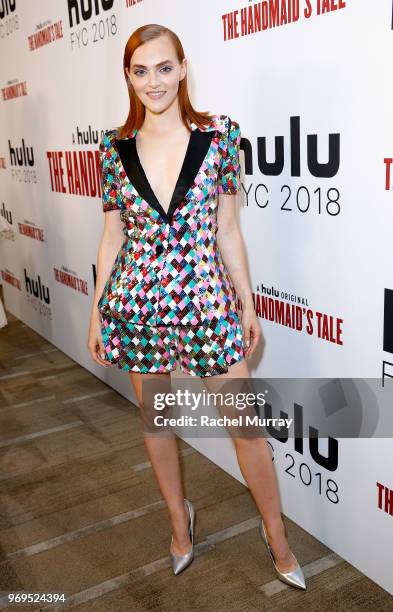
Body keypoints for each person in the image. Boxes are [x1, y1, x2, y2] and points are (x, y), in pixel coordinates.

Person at [87, 24, 306, 590]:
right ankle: (179, 524)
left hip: (208, 301)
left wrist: (247, 301)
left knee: (246, 428)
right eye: (140, 71)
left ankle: (275, 533)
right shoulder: (114, 148)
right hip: (134, 305)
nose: (153, 82)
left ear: (183, 69)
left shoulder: (220, 135)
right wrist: (96, 312)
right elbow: (112, 237)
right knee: (157, 424)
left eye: (164, 68)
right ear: (128, 77)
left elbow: (227, 228)